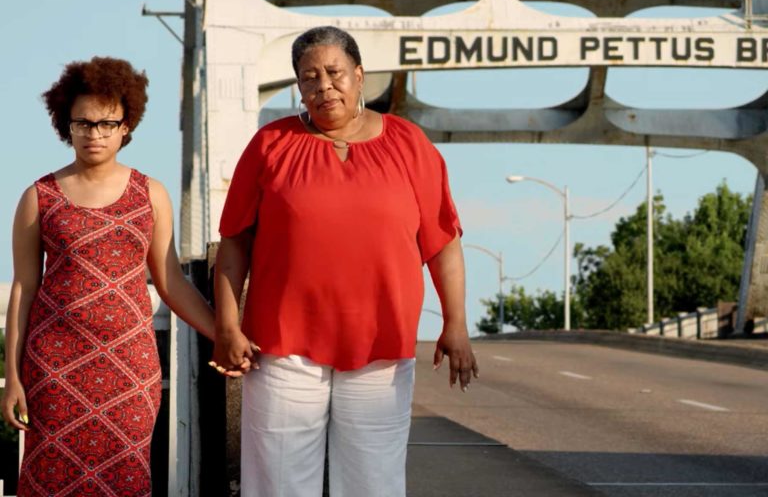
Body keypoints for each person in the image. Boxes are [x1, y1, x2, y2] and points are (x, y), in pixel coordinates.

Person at [213, 26, 479, 497]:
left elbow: (443, 242)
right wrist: (228, 326)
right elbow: (234, 243)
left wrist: (455, 323)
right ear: (298, 86)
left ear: (359, 76)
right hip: (282, 344)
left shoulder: (409, 143)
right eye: (309, 77)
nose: (323, 86)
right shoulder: (270, 145)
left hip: (381, 344)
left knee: (372, 484)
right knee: (276, 484)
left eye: (334, 73)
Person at [0, 56, 227, 496]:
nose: (94, 134)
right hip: (54, 368)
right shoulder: (38, 196)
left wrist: (223, 333)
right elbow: (24, 288)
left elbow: (171, 281)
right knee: (49, 479)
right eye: (83, 122)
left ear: (127, 126)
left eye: (107, 123)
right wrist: (13, 376)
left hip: (129, 369)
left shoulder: (151, 193)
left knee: (124, 478)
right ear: (66, 124)